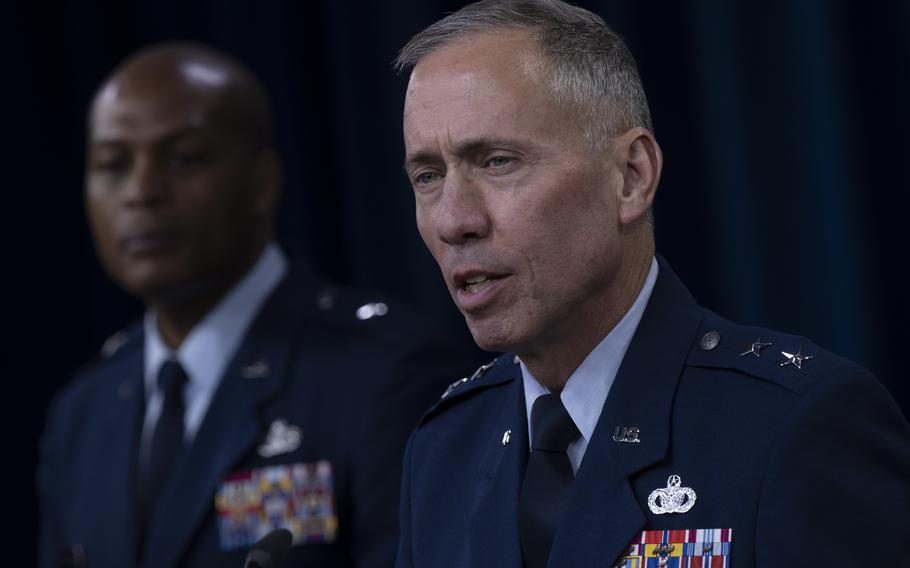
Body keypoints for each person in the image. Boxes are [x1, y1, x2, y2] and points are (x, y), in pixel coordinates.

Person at [393, 1, 910, 566]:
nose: (452, 220)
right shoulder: (443, 450)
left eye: (497, 161)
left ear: (631, 177)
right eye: (428, 176)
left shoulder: (796, 428)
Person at [38, 42, 461, 568]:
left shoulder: (384, 374)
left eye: (185, 158)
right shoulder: (82, 413)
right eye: (113, 164)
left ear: (262, 182)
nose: (141, 192)